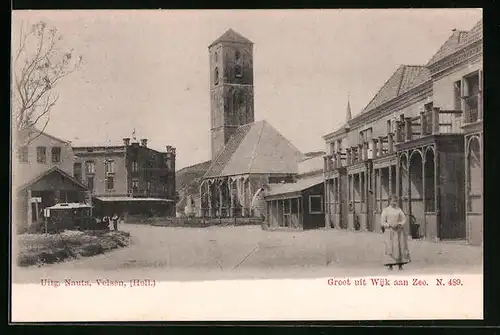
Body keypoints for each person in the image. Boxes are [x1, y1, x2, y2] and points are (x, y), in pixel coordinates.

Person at [380, 195, 411, 270]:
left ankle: (400, 264)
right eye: (393, 201)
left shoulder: (399, 210)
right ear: (389, 201)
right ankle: (390, 265)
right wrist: (389, 225)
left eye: (395, 201)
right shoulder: (386, 210)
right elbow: (382, 222)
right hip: (390, 231)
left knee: (400, 247)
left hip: (398, 231)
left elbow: (404, 219)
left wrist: (400, 224)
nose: (394, 203)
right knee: (390, 247)